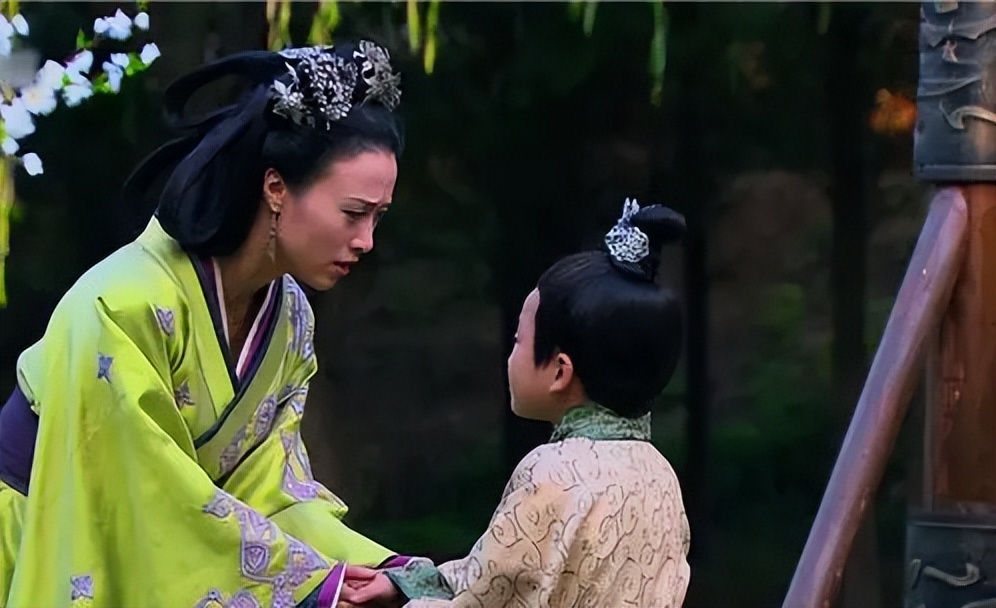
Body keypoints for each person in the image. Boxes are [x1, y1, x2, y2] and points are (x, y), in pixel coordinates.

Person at [0, 41, 414, 608]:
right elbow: (148, 494)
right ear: (275, 187)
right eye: (353, 213)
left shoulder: (290, 318)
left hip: (171, 540)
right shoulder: (121, 304)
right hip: (39, 527)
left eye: (378, 217)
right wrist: (311, 583)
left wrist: (377, 570)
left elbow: (269, 489)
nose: (366, 240)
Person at [341, 199, 692, 607]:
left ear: (560, 371)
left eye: (518, 341)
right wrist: (407, 583)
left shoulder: (552, 473)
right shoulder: (660, 474)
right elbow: (498, 576)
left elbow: (490, 597)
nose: (510, 357)